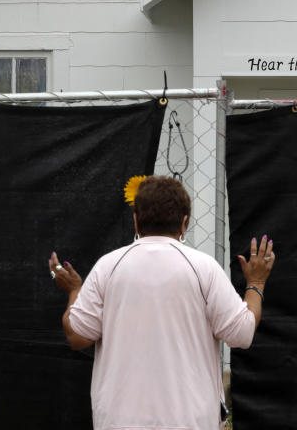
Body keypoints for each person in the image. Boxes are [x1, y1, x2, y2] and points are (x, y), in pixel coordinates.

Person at [48, 176, 275, 430]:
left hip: (119, 422)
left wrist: (74, 291)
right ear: (184, 223)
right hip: (190, 422)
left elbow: (77, 335)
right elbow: (242, 333)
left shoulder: (108, 266)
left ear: (135, 220)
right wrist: (256, 283)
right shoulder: (203, 268)